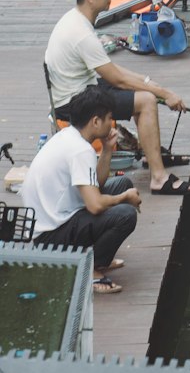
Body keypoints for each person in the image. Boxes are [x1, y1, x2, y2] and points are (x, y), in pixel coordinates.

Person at [44, 0, 190, 194]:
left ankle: (152, 154)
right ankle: (159, 179)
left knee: (143, 91)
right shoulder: (82, 34)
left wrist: (146, 80)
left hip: (81, 88)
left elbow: (110, 70)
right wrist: (163, 93)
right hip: (72, 103)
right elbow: (118, 79)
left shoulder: (74, 20)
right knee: (146, 101)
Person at [24, 83, 142, 294]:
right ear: (96, 121)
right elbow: (95, 205)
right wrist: (124, 198)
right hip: (50, 237)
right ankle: (90, 271)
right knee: (126, 214)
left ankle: (99, 258)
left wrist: (107, 150)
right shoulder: (80, 150)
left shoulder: (70, 135)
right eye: (109, 118)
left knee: (123, 183)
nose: (112, 123)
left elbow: (96, 182)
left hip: (58, 219)